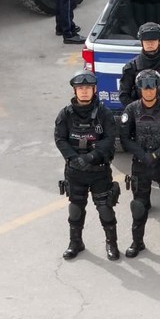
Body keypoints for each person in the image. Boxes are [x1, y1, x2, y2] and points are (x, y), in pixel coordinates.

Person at [119, 69, 160, 259]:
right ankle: (137, 242)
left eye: (152, 87)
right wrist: (143, 155)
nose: (148, 91)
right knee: (139, 205)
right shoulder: (131, 109)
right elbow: (125, 138)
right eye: (144, 88)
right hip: (141, 164)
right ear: (139, 89)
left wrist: (157, 154)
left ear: (158, 88)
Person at [55, 71, 121, 261]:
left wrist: (92, 156)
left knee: (105, 208)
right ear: (75, 91)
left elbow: (110, 139)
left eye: (87, 88)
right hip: (75, 171)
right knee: (76, 208)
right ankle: (75, 242)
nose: (84, 92)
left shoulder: (104, 113)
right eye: (80, 88)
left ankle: (112, 244)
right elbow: (60, 138)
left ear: (94, 90)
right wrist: (74, 158)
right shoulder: (66, 114)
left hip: (99, 170)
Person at [118, 22, 160, 109]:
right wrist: (136, 111)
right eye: (146, 41)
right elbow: (124, 95)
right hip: (138, 114)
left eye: (153, 40)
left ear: (159, 41)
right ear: (141, 42)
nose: (150, 44)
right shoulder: (131, 66)